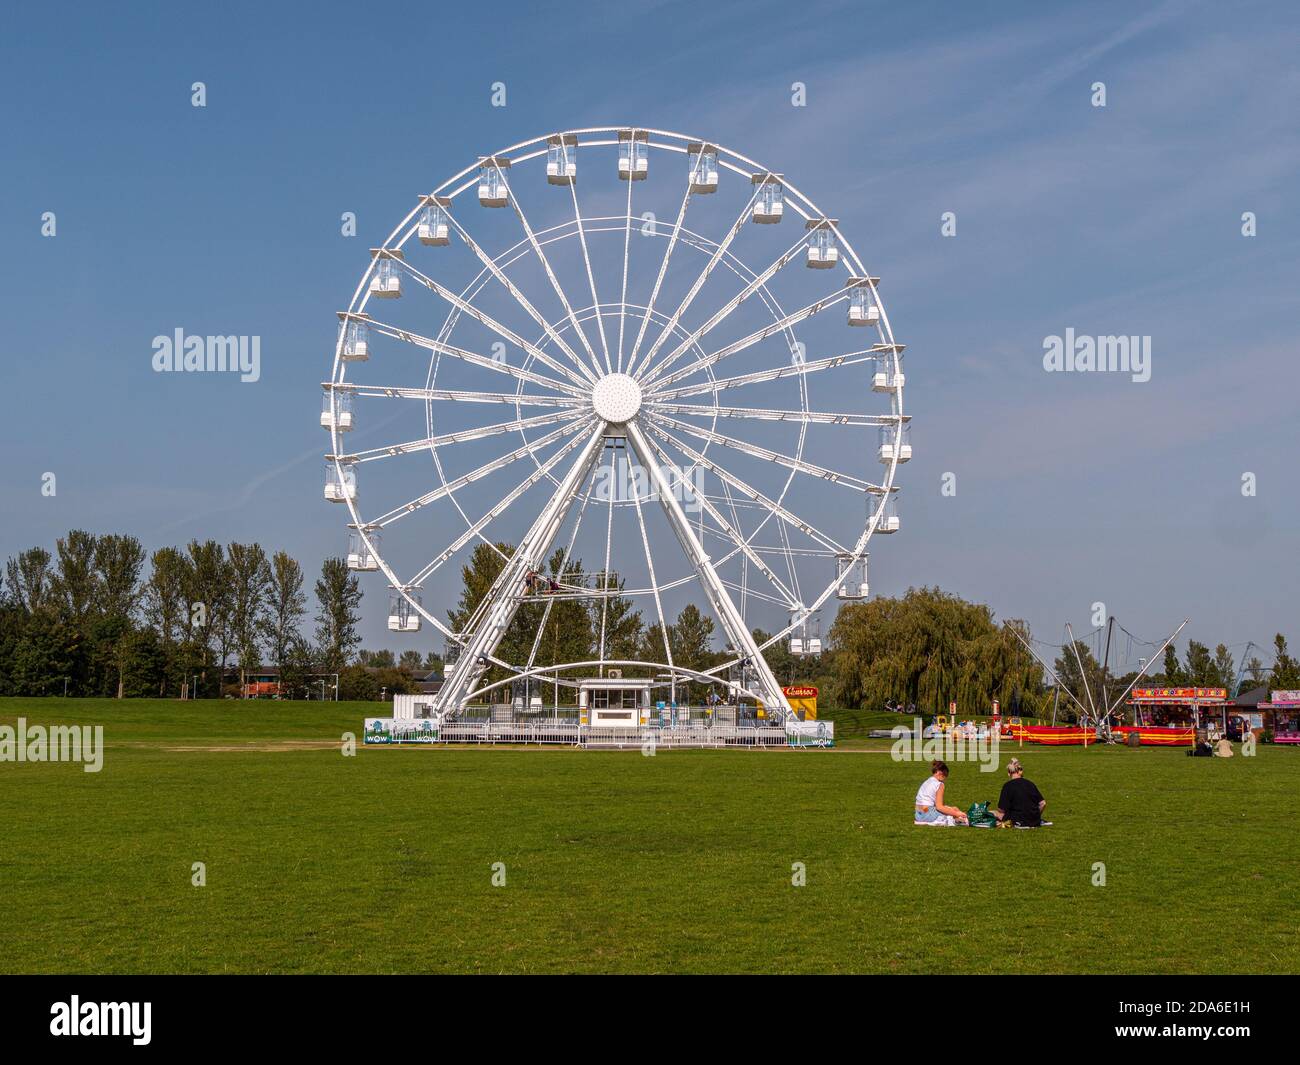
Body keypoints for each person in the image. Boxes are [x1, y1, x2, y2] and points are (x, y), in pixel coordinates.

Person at [995, 757, 1047, 827]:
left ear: (1008, 773)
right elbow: (1043, 803)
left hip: (1017, 820)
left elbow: (1001, 809)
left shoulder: (1007, 786)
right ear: (1020, 772)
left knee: (994, 813)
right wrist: (1036, 817)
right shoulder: (1030, 784)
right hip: (1034, 821)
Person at [915, 760, 968, 826]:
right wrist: (957, 814)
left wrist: (953, 810)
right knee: (954, 813)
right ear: (941, 773)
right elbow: (939, 807)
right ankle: (962, 820)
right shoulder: (939, 784)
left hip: (918, 814)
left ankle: (959, 817)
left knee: (954, 809)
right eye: (945, 775)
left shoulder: (928, 781)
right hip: (928, 814)